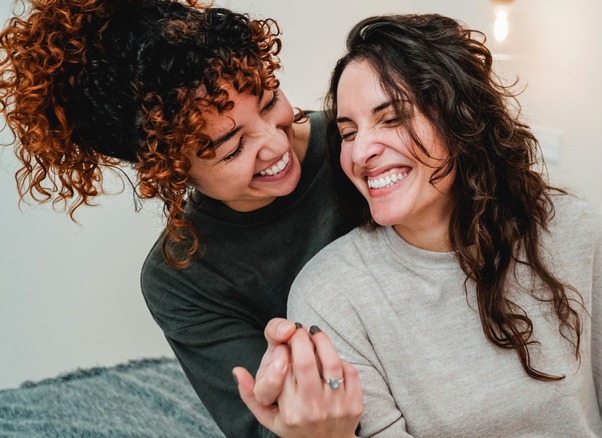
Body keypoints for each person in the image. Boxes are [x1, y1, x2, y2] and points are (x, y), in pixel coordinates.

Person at [286, 13, 602, 437]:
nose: (361, 152)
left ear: (460, 119)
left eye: (392, 118)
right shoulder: (330, 298)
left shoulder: (572, 227)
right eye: (348, 132)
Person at [0, 0, 361, 436]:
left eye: (268, 102)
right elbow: (263, 426)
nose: (274, 143)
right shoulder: (182, 277)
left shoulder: (360, 143)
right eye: (231, 147)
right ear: (169, 169)